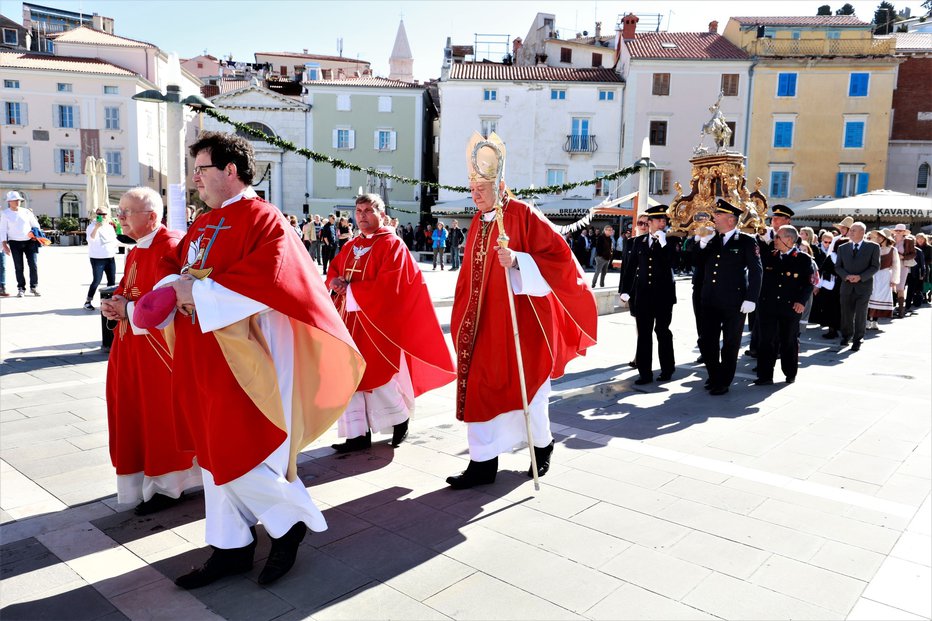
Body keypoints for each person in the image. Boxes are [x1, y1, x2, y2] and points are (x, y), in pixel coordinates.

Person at [154, 132, 365, 588]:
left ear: (231, 171)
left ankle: (289, 523)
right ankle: (231, 546)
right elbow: (178, 265)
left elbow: (269, 279)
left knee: (242, 448)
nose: (196, 180)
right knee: (213, 453)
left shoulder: (264, 217)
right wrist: (163, 291)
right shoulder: (204, 222)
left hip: (248, 358)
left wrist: (200, 292)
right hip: (203, 350)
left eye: (202, 170)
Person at [447, 132, 597, 489]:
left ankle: (541, 446)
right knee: (482, 389)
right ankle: (482, 464)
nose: (475, 193)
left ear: (499, 184)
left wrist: (518, 261)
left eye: (482, 187)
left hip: (522, 325)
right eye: (472, 187)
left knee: (528, 393)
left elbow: (559, 259)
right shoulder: (476, 224)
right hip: (483, 325)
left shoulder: (523, 214)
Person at [326, 194, 455, 452]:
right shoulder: (351, 246)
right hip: (350, 323)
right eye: (358, 210)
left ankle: (401, 420)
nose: (361, 215)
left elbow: (392, 284)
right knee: (351, 376)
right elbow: (335, 269)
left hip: (379, 325)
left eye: (368, 210)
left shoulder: (393, 245)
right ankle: (357, 435)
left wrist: (352, 291)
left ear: (381, 214)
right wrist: (335, 283)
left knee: (380, 377)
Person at [99, 187, 200, 515]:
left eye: (128, 212)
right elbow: (129, 290)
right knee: (133, 412)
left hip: (158, 354)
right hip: (131, 349)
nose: (121, 217)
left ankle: (167, 485)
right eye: (121, 211)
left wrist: (127, 308)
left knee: (158, 415)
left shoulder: (167, 248)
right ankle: (145, 479)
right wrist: (115, 304)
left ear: (153, 217)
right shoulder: (136, 249)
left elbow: (163, 308)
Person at [695, 199, 762, 396]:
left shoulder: (746, 241)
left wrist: (752, 298)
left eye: (718, 215)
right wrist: (703, 243)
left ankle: (723, 381)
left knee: (731, 343)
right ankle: (714, 375)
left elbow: (756, 272)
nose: (714, 218)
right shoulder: (712, 239)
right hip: (709, 300)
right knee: (707, 341)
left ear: (731, 220)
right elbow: (695, 262)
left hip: (735, 302)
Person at [620, 206, 677, 384]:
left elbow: (675, 262)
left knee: (662, 331)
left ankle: (667, 369)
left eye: (664, 220)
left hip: (663, 295)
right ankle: (645, 373)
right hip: (643, 295)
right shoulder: (639, 242)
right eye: (658, 220)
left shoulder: (671, 240)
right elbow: (630, 268)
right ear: (650, 223)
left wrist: (664, 243)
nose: (662, 223)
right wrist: (625, 290)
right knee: (644, 334)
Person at [752, 225, 813, 386]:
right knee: (766, 341)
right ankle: (765, 375)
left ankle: (790, 373)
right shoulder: (769, 256)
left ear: (789, 239)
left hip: (790, 308)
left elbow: (808, 284)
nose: (775, 240)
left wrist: (801, 301)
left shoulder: (803, 259)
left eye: (778, 237)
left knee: (789, 341)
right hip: (768, 307)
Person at [747, 204, 794, 358]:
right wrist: (763, 240)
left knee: (776, 321)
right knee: (758, 317)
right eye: (773, 218)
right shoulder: (763, 234)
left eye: (779, 219)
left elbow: (781, 259)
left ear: (787, 221)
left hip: (781, 284)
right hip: (762, 281)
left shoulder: (792, 237)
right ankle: (755, 346)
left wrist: (768, 243)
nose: (774, 221)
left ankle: (775, 348)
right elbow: (757, 257)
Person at [834, 221, 880, 352]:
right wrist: (846, 276)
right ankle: (846, 335)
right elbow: (838, 267)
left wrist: (860, 277)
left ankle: (858, 338)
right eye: (851, 230)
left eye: (854, 230)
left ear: (862, 232)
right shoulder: (842, 248)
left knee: (861, 314)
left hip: (864, 286)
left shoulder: (873, 247)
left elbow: (875, 266)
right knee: (846, 313)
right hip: (846, 285)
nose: (850, 232)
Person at [0, 191, 41, 297]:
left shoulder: (26, 211)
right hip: (14, 243)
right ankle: (21, 288)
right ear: (9, 201)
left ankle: (34, 287)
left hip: (30, 242)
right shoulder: (5, 214)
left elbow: (35, 224)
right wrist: (4, 244)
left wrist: (35, 234)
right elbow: (3, 230)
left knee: (33, 265)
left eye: (19, 200)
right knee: (19, 267)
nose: (18, 201)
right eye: (15, 200)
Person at [84, 207, 119, 310]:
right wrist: (96, 228)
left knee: (112, 281)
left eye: (104, 214)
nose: (102, 216)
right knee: (96, 281)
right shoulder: (91, 226)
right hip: (97, 258)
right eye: (99, 214)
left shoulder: (109, 227)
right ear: (96, 215)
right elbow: (90, 240)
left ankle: (109, 302)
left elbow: (114, 240)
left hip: (110, 257)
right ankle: (88, 301)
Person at [866, 229, 899, 330]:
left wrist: (894, 280)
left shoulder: (893, 250)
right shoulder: (874, 248)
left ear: (886, 238)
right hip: (873, 275)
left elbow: (896, 266)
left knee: (880, 298)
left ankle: (875, 321)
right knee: (870, 296)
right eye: (878, 236)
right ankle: (867, 320)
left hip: (885, 276)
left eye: (881, 236)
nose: (879, 238)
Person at [891, 224, 917, 318]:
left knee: (900, 287)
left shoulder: (908, 241)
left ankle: (901, 310)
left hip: (903, 266)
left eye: (900, 231)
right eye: (897, 230)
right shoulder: (891, 239)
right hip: (891, 266)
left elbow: (914, 254)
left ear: (904, 232)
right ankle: (889, 309)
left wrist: (904, 257)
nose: (898, 232)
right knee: (891, 286)